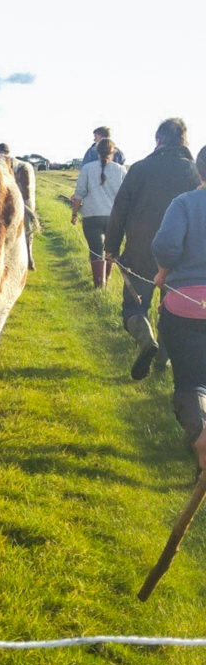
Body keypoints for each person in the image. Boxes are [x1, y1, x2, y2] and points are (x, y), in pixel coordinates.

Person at [104, 118, 200, 380]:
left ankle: (146, 339)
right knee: (172, 310)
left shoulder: (139, 169)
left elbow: (119, 210)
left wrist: (111, 247)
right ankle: (162, 361)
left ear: (158, 140)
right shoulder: (194, 172)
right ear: (184, 141)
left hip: (140, 252)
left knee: (133, 308)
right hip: (181, 258)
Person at [151, 145, 206, 470]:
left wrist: (161, 272)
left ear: (198, 171)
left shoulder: (184, 203)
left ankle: (200, 432)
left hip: (185, 306)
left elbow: (166, 245)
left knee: (190, 382)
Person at [71, 138, 125, 288]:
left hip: (91, 215)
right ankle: (105, 282)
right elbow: (125, 195)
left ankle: (98, 286)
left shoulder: (87, 168)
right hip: (113, 218)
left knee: (95, 251)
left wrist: (74, 214)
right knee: (111, 251)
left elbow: (79, 193)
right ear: (113, 152)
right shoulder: (120, 170)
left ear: (97, 152)